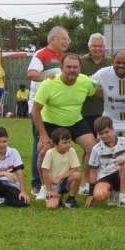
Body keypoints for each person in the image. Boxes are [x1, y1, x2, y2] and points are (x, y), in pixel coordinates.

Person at [31, 54, 99, 199]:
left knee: (93, 149)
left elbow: (99, 91)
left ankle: (85, 183)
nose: (72, 70)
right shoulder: (49, 83)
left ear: (80, 68)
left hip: (75, 121)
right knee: (43, 151)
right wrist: (43, 135)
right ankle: (44, 187)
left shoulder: (85, 81)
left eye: (75, 67)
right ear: (61, 68)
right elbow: (35, 111)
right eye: (68, 67)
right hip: (51, 123)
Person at [26, 26, 70, 195]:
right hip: (40, 108)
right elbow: (31, 74)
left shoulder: (64, 58)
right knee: (41, 144)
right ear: (53, 40)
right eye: (64, 38)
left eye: (68, 39)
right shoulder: (41, 54)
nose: (67, 41)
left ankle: (58, 181)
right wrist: (46, 76)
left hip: (58, 108)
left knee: (59, 142)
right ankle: (37, 184)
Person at [84, 116, 125, 208]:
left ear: (112, 129)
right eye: (101, 134)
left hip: (120, 173)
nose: (104, 136)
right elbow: (92, 172)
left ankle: (123, 198)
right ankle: (112, 194)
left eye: (107, 132)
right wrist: (91, 194)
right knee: (99, 196)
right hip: (105, 176)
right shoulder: (96, 148)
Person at [0, 126, 31, 209]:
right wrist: (4, 173)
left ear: (8, 141)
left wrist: (22, 191)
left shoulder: (14, 152)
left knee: (24, 203)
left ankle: (5, 200)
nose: (2, 144)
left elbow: (19, 172)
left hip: (11, 185)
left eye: (4, 141)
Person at [40, 128, 83, 209]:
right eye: (64, 143)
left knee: (77, 175)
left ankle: (71, 200)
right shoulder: (50, 153)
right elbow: (45, 172)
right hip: (53, 186)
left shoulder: (72, 151)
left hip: (65, 182)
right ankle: (58, 197)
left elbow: (74, 169)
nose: (68, 145)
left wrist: (59, 177)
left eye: (69, 142)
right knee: (51, 206)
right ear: (55, 144)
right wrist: (49, 190)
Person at [78, 33, 111, 133]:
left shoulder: (111, 63)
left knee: (109, 141)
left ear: (104, 47)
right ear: (89, 47)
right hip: (86, 110)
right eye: (94, 46)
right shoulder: (80, 62)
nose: (97, 48)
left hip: (107, 111)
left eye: (100, 46)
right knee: (89, 143)